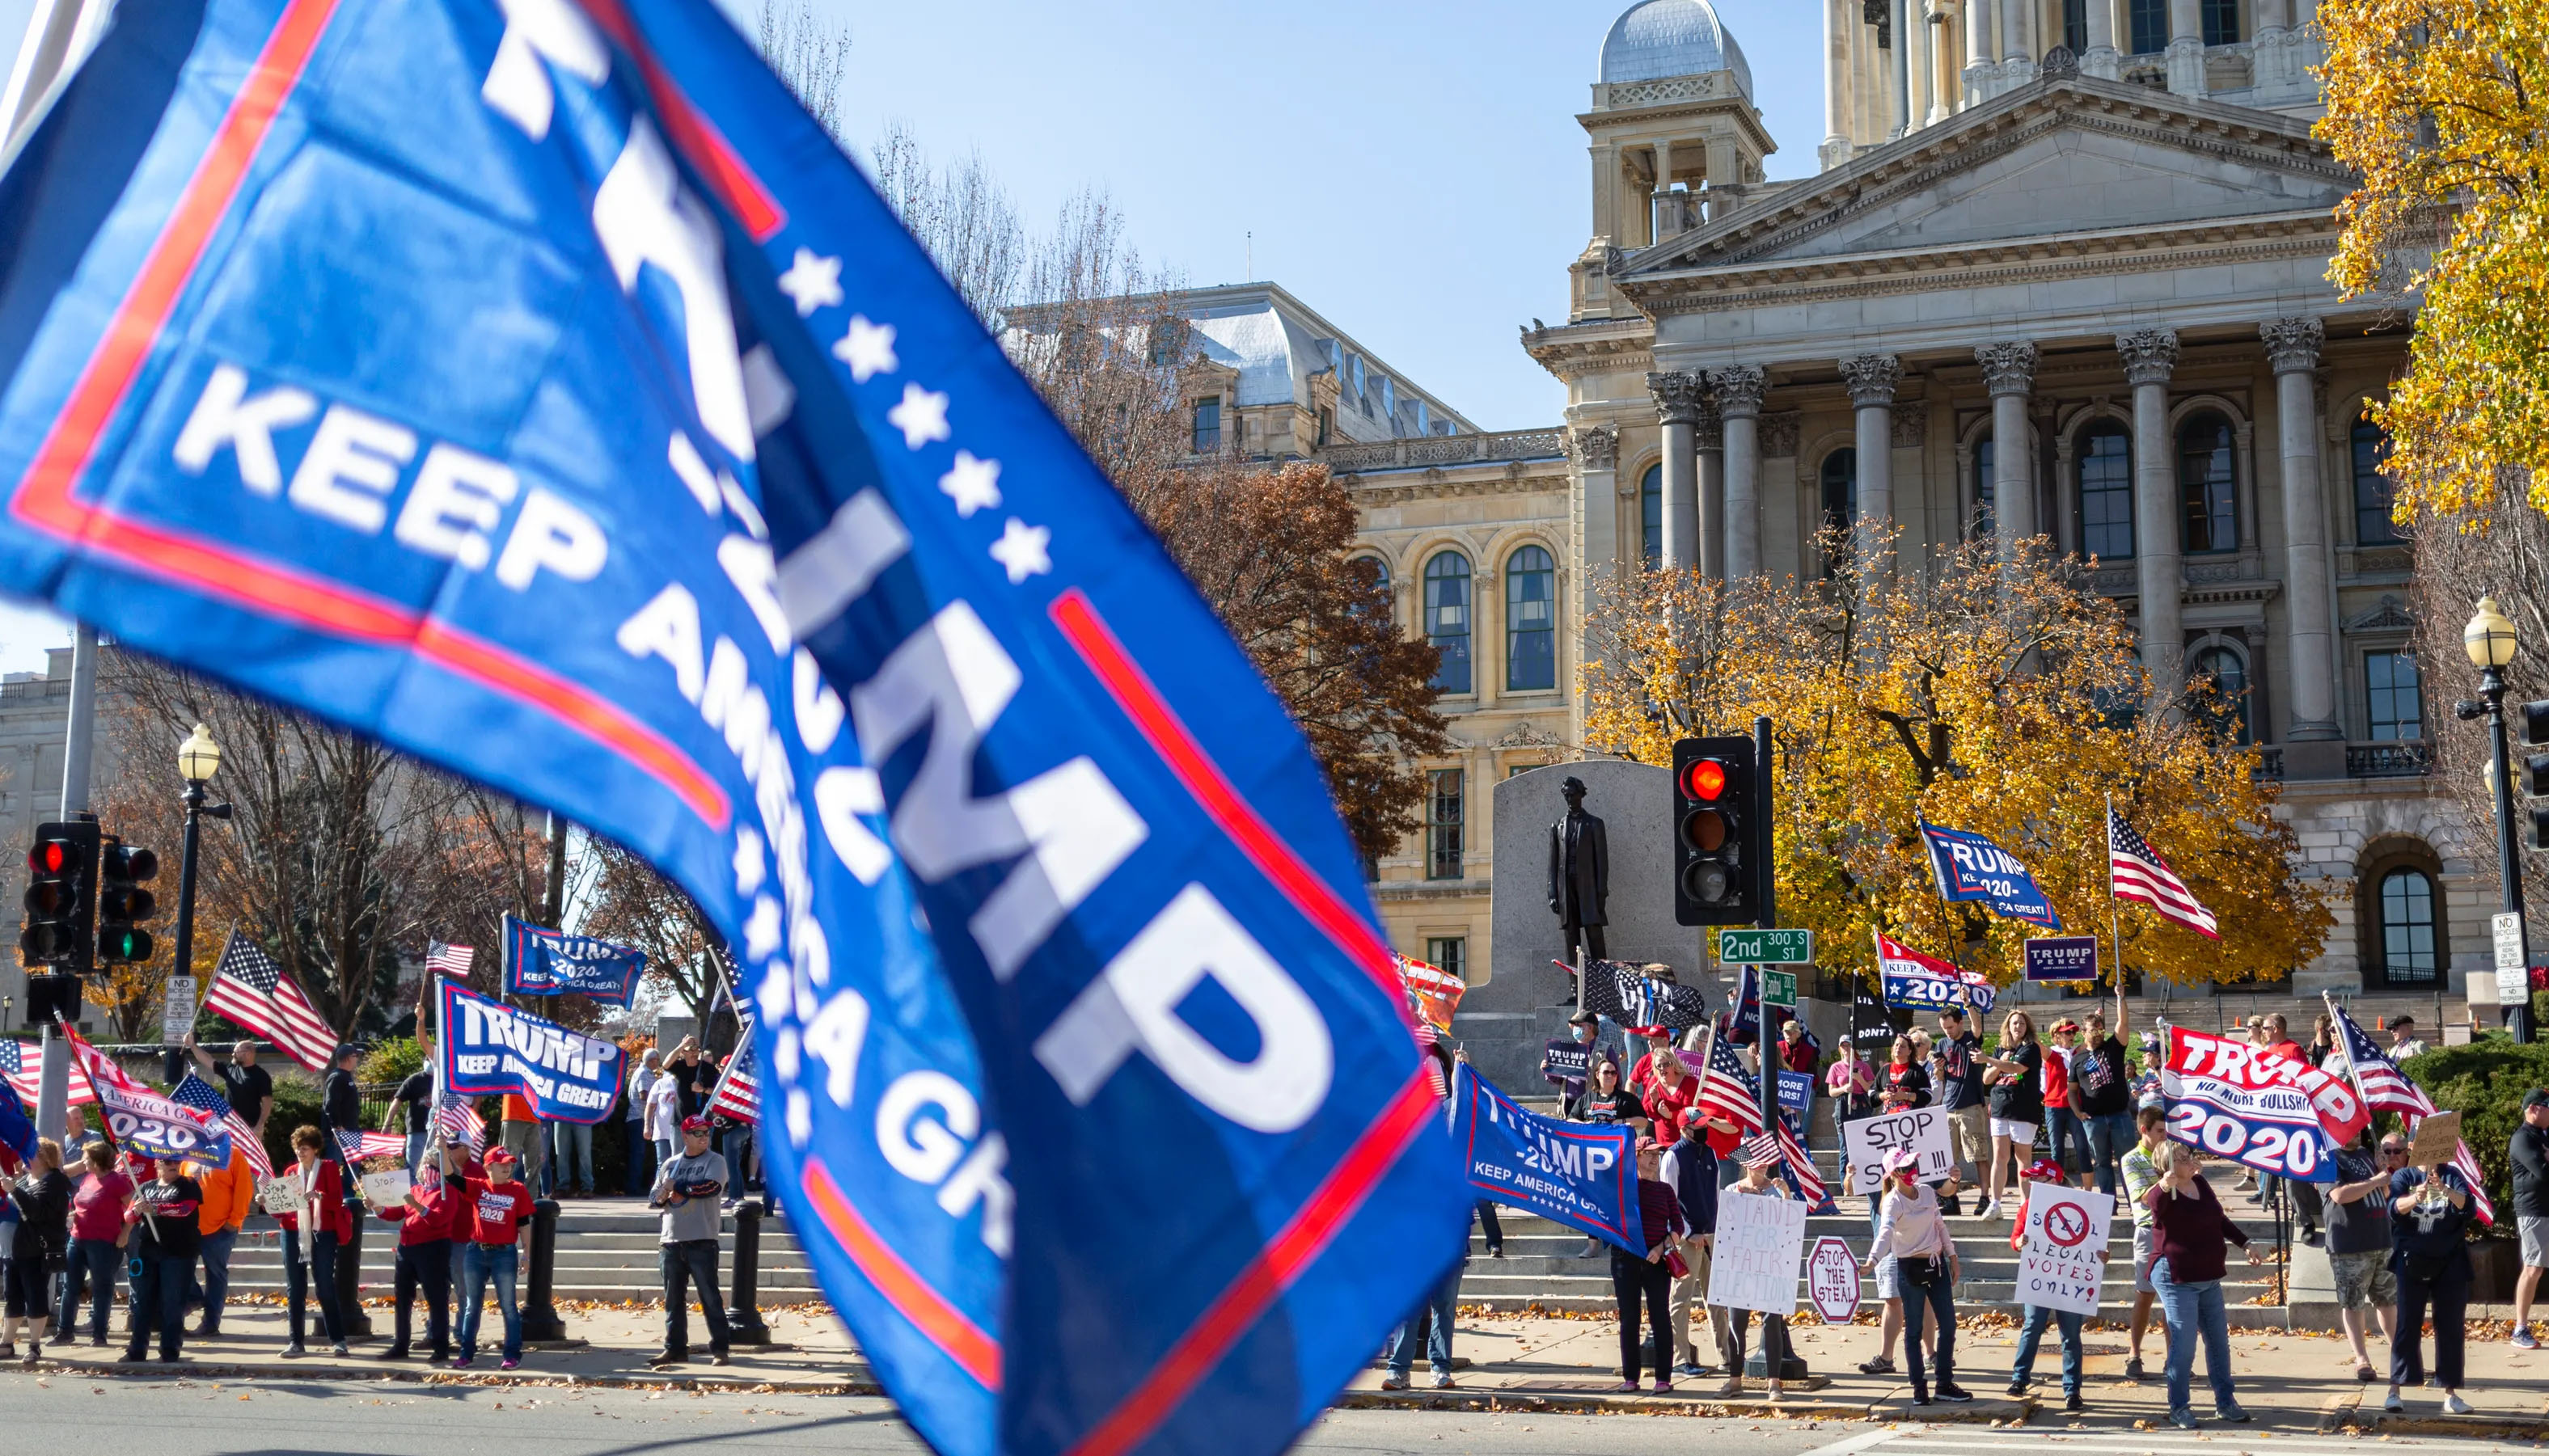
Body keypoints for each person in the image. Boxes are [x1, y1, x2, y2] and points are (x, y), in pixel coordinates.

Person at [2145, 1141, 2262, 1429]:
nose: (2189, 1160)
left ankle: (2226, 1402)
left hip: (2209, 1276)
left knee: (2219, 1343)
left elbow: (2218, 1218)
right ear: (2166, 1165)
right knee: (2184, 1346)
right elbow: (2154, 1208)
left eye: (2188, 1155)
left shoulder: (2201, 1183)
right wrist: (2163, 1185)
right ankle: (2179, 1407)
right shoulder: (2164, 1192)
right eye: (2181, 1158)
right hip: (2177, 1277)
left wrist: (2245, 1243)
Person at [1860, 1146, 1964, 1404]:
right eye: (1904, 1169)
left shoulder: (1928, 1192)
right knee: (1913, 1330)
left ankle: (1944, 1382)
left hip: (1936, 1264)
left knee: (1949, 1325)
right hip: (1910, 1269)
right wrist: (1872, 1261)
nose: (1911, 1172)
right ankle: (1919, 1386)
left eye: (1913, 1166)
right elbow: (1885, 1234)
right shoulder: (1892, 1202)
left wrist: (1952, 1256)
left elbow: (1939, 1224)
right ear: (1892, 1174)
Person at [2005, 1158, 2104, 1412]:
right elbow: (2015, 1237)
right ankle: (2019, 1379)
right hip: (2040, 1277)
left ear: (2054, 1179)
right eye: (2032, 1178)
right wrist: (2019, 1244)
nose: (2033, 1182)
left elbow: (2095, 1242)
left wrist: (2104, 1255)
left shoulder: (2084, 1206)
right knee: (2032, 1327)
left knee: (2071, 1336)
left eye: (2038, 1178)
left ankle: (2072, 1391)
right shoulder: (2028, 1207)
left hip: (2071, 1279)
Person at [2384, 1141, 2475, 1415]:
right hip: (2412, 1260)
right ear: (2413, 1145)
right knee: (2407, 1325)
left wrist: (2444, 1190)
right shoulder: (2405, 1176)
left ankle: (2450, 1393)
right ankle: (2395, 1389)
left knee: (2450, 1327)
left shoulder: (2452, 1175)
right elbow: (2394, 1207)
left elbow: (2467, 1207)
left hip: (2450, 1262)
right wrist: (2417, 1197)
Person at [1716, 1141, 1800, 1400]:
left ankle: (1774, 1383)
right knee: (1736, 1324)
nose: (1763, 1164)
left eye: (1766, 1159)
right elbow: (1725, 1227)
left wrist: (1786, 1197)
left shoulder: (1777, 1192)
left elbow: (1791, 1227)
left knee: (1772, 1322)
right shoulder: (1732, 1190)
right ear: (1745, 1165)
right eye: (1756, 1160)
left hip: (1770, 1266)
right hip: (1740, 1266)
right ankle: (1734, 1380)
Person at [649, 1115, 735, 1366]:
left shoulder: (715, 1161)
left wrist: (679, 1187)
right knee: (672, 1300)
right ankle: (674, 1347)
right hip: (671, 1241)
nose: (704, 1137)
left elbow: (711, 1188)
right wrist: (663, 1193)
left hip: (702, 1239)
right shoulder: (670, 1164)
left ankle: (720, 1348)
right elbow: (653, 1199)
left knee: (710, 1297)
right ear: (685, 1136)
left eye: (706, 1132)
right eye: (697, 1133)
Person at [1604, 1139, 1686, 1393]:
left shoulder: (1665, 1190)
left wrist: (1662, 1247)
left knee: (1659, 1317)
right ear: (1636, 1157)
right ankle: (1631, 1377)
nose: (1655, 1158)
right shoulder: (1623, 1188)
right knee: (1629, 1318)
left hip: (1657, 1260)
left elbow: (1678, 1226)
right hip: (1625, 1259)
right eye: (1648, 1153)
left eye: (1657, 1153)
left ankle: (1664, 1377)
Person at [378, 1138, 464, 1361]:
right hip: (406, 1248)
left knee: (436, 1298)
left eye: (434, 1167)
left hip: (433, 1248)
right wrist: (378, 1208)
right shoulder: (416, 1189)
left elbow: (439, 1220)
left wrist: (417, 1206)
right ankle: (401, 1344)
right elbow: (397, 1213)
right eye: (426, 1166)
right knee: (402, 1298)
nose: (428, 1171)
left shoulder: (449, 1191)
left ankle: (440, 1347)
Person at [2326, 1130, 2401, 1382]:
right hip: (2349, 1243)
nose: (2357, 1132)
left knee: (2387, 1300)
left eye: (2359, 1127)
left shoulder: (2366, 1155)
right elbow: (2339, 1195)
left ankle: (2400, 1354)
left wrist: (2384, 1174)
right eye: (2350, 1127)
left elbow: (2386, 1194)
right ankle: (2362, 1359)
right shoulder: (2328, 1157)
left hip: (2381, 1238)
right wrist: (2376, 1180)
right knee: (2353, 1302)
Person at [454, 1146, 535, 1370]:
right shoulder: (478, 1187)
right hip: (476, 1252)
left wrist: (527, 1254)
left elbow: (524, 1224)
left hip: (504, 1253)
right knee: (472, 1306)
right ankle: (466, 1353)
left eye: (510, 1164)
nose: (507, 1168)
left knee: (508, 1305)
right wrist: (442, 1150)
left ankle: (512, 1355)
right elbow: (451, 1178)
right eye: (502, 1164)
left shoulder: (518, 1190)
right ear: (488, 1167)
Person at [277, 1125, 352, 1357]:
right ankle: (296, 1342)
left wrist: (320, 1197)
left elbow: (338, 1201)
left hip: (323, 1231)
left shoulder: (329, 1168)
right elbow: (282, 1211)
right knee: (295, 1288)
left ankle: (338, 1340)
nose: (300, 1153)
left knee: (325, 1286)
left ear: (316, 1149)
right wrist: (265, 1201)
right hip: (293, 1231)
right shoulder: (291, 1172)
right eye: (298, 1148)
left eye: (305, 1148)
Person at [123, 1155, 205, 1364]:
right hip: (148, 1250)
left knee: (172, 1301)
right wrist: (136, 1210)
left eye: (177, 1162)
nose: (174, 1165)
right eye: (168, 1161)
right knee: (142, 1301)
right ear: (157, 1164)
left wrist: (157, 1209)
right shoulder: (146, 1186)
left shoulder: (188, 1184)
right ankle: (136, 1350)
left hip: (179, 1251)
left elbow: (185, 1209)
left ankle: (169, 1351)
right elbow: (129, 1217)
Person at [1659, 1116, 1721, 1379]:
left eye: (1705, 1125)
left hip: (1710, 1235)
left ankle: (1727, 1357)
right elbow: (1669, 1199)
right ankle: (1680, 1359)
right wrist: (1686, 1232)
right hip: (1687, 1240)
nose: (1704, 1130)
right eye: (1698, 1127)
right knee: (1680, 1300)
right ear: (1684, 1129)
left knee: (1718, 1299)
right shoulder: (1673, 1157)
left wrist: (1714, 1230)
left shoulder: (1711, 1154)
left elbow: (1716, 1195)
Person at [58, 1142, 129, 1348]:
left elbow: (135, 1209)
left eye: (87, 1158)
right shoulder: (89, 1178)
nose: (83, 1161)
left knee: (102, 1288)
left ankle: (99, 1334)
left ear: (97, 1161)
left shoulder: (117, 1182)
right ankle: (65, 1331)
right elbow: (83, 1204)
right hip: (77, 1239)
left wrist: (125, 1232)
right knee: (70, 1286)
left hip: (104, 1243)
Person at [4, 1139, 69, 1363]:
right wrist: (11, 1188)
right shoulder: (25, 1179)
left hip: (38, 1249)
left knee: (35, 1296)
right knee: (13, 1296)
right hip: (16, 1248)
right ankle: (6, 1343)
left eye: (29, 1155)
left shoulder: (55, 1182)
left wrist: (15, 1191)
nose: (25, 1159)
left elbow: (37, 1212)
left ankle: (34, 1345)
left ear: (44, 1158)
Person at [1980, 1011, 2045, 1219]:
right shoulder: (2001, 1050)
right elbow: (1986, 1079)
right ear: (2008, 1026)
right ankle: (1995, 1203)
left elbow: (2016, 1068)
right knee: (1999, 1156)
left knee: (2022, 1158)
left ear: (2028, 1027)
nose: (2018, 1026)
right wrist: (1997, 1060)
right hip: (2000, 1108)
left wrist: (1991, 1060)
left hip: (2023, 1109)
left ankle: (2025, 1205)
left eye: (2022, 1023)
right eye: (2014, 1023)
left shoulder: (2031, 1049)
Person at [188, 1137, 254, 1338]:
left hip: (220, 1228)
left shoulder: (232, 1154)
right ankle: (194, 1298)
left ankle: (210, 1323)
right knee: (180, 1268)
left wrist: (234, 1220)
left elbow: (245, 1189)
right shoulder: (189, 1154)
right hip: (190, 1227)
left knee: (215, 1274)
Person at [2073, 1010, 2135, 1196]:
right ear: (2084, 1033)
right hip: (2094, 1119)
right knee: (2102, 1163)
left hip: (2120, 1115)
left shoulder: (2113, 1048)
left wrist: (2119, 998)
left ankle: (2135, 1201)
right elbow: (2071, 1090)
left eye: (2101, 1030)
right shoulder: (2078, 1060)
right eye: (2094, 1030)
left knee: (2128, 1161)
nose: (2099, 1034)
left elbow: (2123, 1023)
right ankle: (2109, 1203)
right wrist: (2077, 1112)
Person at [1935, 1008, 1989, 1214]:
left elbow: (1977, 1027)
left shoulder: (1969, 1038)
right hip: (1949, 1106)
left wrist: (1968, 1005)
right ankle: (1951, 1198)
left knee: (1979, 1154)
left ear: (1959, 1023)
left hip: (1970, 1105)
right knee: (1948, 1158)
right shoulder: (1942, 1044)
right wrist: (1938, 1068)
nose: (1947, 1031)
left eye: (1950, 1027)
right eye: (1943, 1028)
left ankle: (1984, 1197)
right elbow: (1941, 1077)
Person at [2511, 1087, 2549, 1350]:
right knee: (2533, 1268)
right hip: (2534, 1211)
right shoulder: (2523, 1139)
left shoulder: (2543, 1135)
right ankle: (2519, 1329)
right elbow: (2543, 1173)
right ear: (2534, 1108)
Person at [184, 1035, 273, 1142]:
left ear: (248, 1054)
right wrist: (193, 1046)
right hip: (229, 1126)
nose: (233, 1055)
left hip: (250, 1128)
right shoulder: (230, 1070)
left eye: (236, 1052)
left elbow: (267, 1102)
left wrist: (260, 1125)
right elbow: (207, 1060)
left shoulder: (261, 1076)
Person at [2042, 1021, 2091, 1188]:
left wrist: (2099, 1019)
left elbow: (2091, 1038)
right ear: (2057, 1036)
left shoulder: (2077, 1052)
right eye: (2067, 1033)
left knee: (2082, 1147)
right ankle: (2059, 1190)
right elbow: (2035, 1042)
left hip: (2075, 1107)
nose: (2072, 1036)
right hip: (2054, 1106)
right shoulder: (2051, 1054)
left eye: (2073, 1033)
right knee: (2057, 1150)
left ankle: (2088, 1191)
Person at [318, 1045, 362, 1188]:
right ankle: (331, 1195)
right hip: (338, 1133)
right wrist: (337, 1127)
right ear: (349, 1058)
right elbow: (330, 1105)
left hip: (351, 1130)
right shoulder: (337, 1077)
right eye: (356, 1056)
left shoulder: (346, 1076)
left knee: (354, 1165)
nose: (358, 1060)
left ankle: (347, 1194)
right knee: (333, 1166)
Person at [387, 1053, 436, 1180]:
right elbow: (397, 1101)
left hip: (437, 1130)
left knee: (434, 1167)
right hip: (417, 1129)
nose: (429, 1062)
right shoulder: (415, 1080)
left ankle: (429, 1195)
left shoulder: (444, 1080)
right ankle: (413, 1196)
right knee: (414, 1166)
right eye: (428, 1059)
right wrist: (388, 1123)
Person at [625, 1050, 663, 1197]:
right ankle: (633, 1187)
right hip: (639, 1118)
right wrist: (659, 1099)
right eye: (657, 1060)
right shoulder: (645, 1074)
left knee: (639, 1154)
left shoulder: (641, 1072)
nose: (658, 1063)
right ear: (652, 1060)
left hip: (637, 1119)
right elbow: (644, 1095)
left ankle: (635, 1185)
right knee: (638, 1154)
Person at [499, 1091, 547, 1202]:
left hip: (535, 1114)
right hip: (513, 1113)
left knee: (534, 1161)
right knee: (507, 1158)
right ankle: (503, 1198)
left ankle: (530, 1200)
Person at [1570, 1057, 1637, 1124]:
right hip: (1592, 1134)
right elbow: (1570, 1119)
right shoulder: (1586, 1098)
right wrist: (1585, 1125)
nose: (1610, 1075)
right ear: (1597, 1075)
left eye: (1613, 1073)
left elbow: (1643, 1121)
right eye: (1606, 1072)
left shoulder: (1626, 1098)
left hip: (1615, 1134)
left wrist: (1622, 1121)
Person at [646, 1054, 685, 1169]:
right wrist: (647, 1126)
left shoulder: (686, 1083)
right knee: (662, 1164)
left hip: (680, 1132)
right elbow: (650, 1106)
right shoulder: (661, 1083)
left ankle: (674, 1187)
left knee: (678, 1164)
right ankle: (660, 1187)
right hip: (662, 1132)